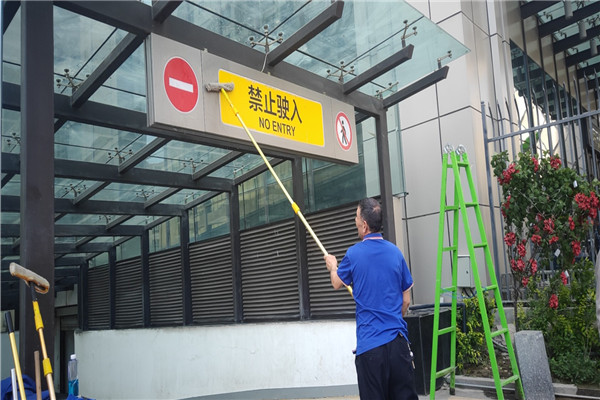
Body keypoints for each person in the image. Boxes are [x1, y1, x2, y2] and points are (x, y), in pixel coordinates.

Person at [324, 197, 418, 400]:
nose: (355, 220)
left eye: (356, 216)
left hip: (371, 348)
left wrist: (333, 266)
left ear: (365, 225)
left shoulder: (354, 254)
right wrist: (393, 318)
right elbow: (406, 301)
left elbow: (336, 283)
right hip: (398, 346)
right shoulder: (396, 253)